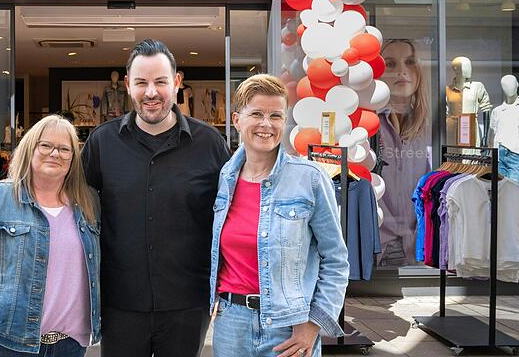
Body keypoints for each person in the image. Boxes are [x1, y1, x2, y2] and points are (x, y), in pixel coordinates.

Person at [82, 39, 231, 357]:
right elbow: (77, 213)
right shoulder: (101, 143)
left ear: (176, 83)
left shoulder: (210, 144)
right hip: (119, 303)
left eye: (160, 82)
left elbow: (231, 218)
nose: (151, 92)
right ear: (127, 85)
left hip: (187, 304)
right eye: (141, 83)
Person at [209, 74, 349, 357]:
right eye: (257, 114)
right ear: (237, 120)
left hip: (289, 327)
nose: (266, 124)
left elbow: (336, 259)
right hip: (230, 323)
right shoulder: (226, 176)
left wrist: (313, 324)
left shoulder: (309, 178)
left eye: (276, 116)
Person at [0, 115, 101, 356]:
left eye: (65, 149)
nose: (55, 153)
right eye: (45, 145)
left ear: (73, 159)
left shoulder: (89, 202)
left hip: (72, 343)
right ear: (29, 149)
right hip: (8, 341)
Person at [377, 38, 431, 266]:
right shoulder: (369, 125)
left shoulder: (432, 127)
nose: (401, 71)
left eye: (409, 62)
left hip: (421, 246)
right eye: (390, 63)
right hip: (381, 244)